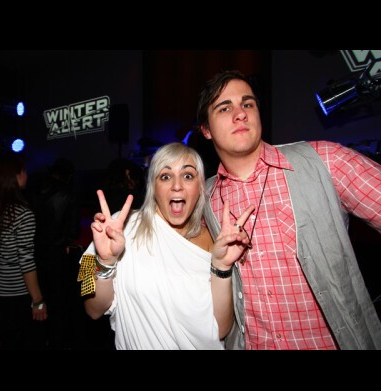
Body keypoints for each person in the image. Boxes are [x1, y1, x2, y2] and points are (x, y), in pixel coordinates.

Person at [197, 69, 381, 350]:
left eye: (248, 104)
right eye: (224, 108)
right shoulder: (205, 197)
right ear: (206, 130)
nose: (241, 114)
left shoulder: (324, 161)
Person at [79, 142, 255, 350]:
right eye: (165, 176)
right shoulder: (119, 227)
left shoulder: (215, 242)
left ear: (200, 187)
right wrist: (105, 261)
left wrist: (222, 266)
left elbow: (221, 330)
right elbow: (91, 309)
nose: (177, 185)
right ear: (153, 187)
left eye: (188, 176)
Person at [0, 152, 47, 350]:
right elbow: (26, 262)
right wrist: (38, 300)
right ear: (14, 177)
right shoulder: (23, 214)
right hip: (16, 294)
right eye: (23, 171)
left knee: (5, 341)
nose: (26, 174)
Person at [27, 157, 80, 349]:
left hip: (34, 252)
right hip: (58, 255)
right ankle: (57, 341)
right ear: (68, 175)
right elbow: (73, 231)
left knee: (39, 297)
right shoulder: (68, 194)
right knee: (59, 302)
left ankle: (40, 339)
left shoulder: (32, 191)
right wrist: (67, 240)